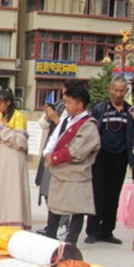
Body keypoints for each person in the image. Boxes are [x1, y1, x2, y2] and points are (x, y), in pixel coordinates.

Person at [40, 80, 100, 245]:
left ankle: (71, 242)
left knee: (77, 210)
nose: (65, 105)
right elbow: (54, 138)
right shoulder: (67, 120)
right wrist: (47, 153)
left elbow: (77, 151)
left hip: (76, 173)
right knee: (54, 208)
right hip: (60, 172)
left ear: (79, 105)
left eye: (68, 102)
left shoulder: (88, 125)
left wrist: (55, 157)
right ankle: (50, 239)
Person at [86, 76, 134, 245]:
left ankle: (107, 230)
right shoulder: (100, 109)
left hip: (120, 157)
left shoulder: (130, 111)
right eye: (116, 90)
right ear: (110, 90)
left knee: (113, 195)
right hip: (101, 156)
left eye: (122, 91)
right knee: (97, 193)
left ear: (126, 91)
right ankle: (93, 230)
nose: (118, 94)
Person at [0, 89, 32, 229]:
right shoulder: (0, 116)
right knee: (3, 187)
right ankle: (2, 219)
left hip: (15, 155)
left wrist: (2, 129)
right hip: (3, 154)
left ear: (8, 102)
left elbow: (20, 141)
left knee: (15, 186)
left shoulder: (19, 116)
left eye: (0, 104)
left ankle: (16, 219)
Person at [35, 100, 69, 236]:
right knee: (47, 190)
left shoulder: (78, 113)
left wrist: (56, 119)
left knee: (61, 194)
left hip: (63, 156)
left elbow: (68, 133)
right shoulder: (59, 105)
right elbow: (42, 124)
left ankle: (63, 224)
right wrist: (48, 115)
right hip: (50, 153)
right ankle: (51, 225)